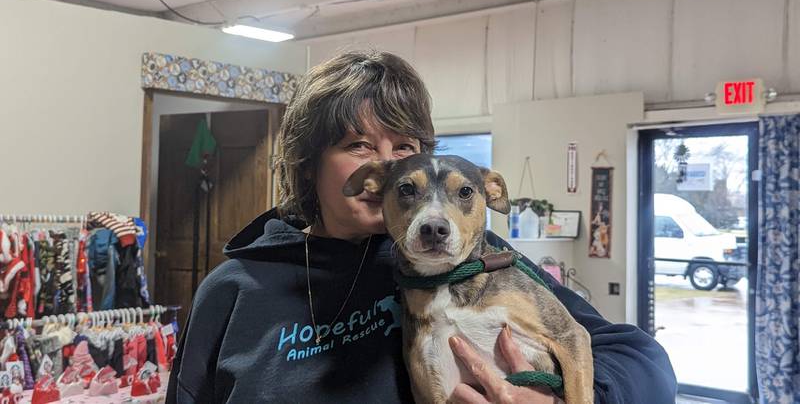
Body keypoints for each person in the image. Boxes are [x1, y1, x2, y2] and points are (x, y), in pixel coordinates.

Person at [166, 50, 676, 403]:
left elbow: (639, 359)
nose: (388, 168)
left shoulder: (479, 260)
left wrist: (557, 397)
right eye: (359, 145)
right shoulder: (235, 292)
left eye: (406, 147)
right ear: (307, 165)